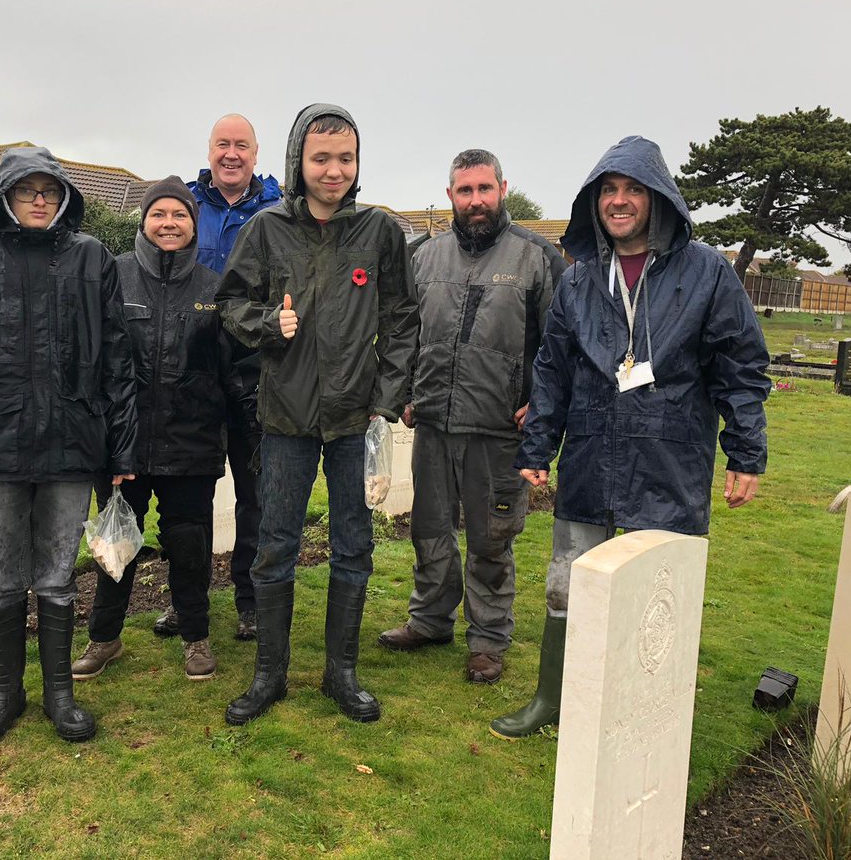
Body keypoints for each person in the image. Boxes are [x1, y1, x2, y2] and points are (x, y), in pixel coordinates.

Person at [489, 136, 771, 740]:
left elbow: (740, 365)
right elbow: (553, 368)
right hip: (593, 448)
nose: (619, 202)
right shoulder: (580, 278)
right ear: (595, 202)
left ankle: (650, 705)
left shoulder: (706, 273)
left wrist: (745, 451)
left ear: (658, 198)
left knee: (656, 586)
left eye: (633, 190)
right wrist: (538, 445)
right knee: (570, 578)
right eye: (609, 191)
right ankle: (553, 697)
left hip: (670, 453)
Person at [217, 103, 419, 724]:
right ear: (297, 162)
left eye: (345, 158)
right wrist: (266, 327)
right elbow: (229, 305)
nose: (334, 171)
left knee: (353, 543)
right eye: (321, 158)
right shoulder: (267, 230)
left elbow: (403, 320)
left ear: (358, 164)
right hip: (285, 418)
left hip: (353, 421)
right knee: (275, 543)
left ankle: (342, 673)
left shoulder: (381, 233)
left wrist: (384, 399)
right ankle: (269, 675)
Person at [0, 145, 137, 750]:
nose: (40, 200)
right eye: (28, 190)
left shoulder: (91, 257)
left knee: (56, 575)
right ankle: (4, 693)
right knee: (4, 578)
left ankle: (58, 692)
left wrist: (119, 452)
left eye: (49, 190)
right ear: (5, 196)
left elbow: (118, 360)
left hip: (72, 445)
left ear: (64, 197)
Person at [377, 149, 561, 686]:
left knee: (489, 538)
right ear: (451, 193)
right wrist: (406, 391)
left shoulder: (537, 258)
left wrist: (542, 402)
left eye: (484, 188)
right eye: (464, 190)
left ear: (504, 188)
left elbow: (558, 345)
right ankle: (430, 620)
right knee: (430, 530)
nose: (475, 200)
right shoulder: (425, 257)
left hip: (501, 427)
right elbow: (403, 333)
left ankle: (487, 639)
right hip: (433, 421)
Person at [71, 176, 259, 681]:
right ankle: (104, 638)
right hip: (123, 446)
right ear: (144, 220)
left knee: (190, 546)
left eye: (179, 215)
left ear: (192, 225)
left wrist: (251, 429)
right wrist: (102, 441)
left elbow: (233, 371)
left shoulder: (213, 288)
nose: (169, 223)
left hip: (190, 444)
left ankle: (196, 638)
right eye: (160, 214)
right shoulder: (115, 278)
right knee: (118, 546)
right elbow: (93, 361)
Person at [150, 114, 281, 642]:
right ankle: (189, 601)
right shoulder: (185, 208)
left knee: (255, 494)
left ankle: (249, 599)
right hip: (192, 375)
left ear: (255, 153)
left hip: (256, 371)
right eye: (222, 145)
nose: (232, 154)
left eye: (241, 146)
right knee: (191, 499)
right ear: (209, 151)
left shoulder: (277, 211)